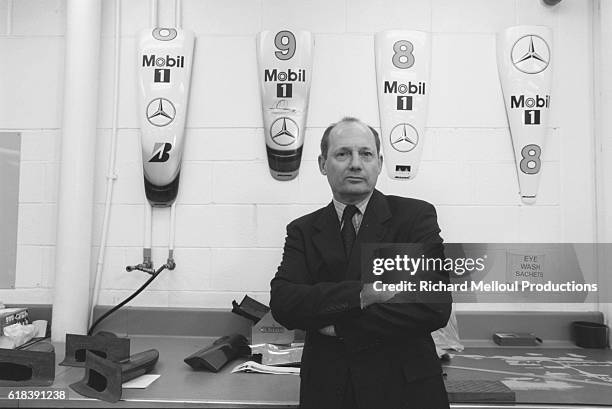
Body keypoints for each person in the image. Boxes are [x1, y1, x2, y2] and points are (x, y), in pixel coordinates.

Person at [269, 117, 452, 409]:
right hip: (329, 390)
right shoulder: (302, 230)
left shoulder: (414, 218)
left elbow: (431, 306)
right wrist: (361, 294)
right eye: (342, 154)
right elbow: (284, 302)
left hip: (404, 391)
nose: (355, 163)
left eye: (365, 154)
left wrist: (339, 327)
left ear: (379, 163)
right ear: (322, 163)